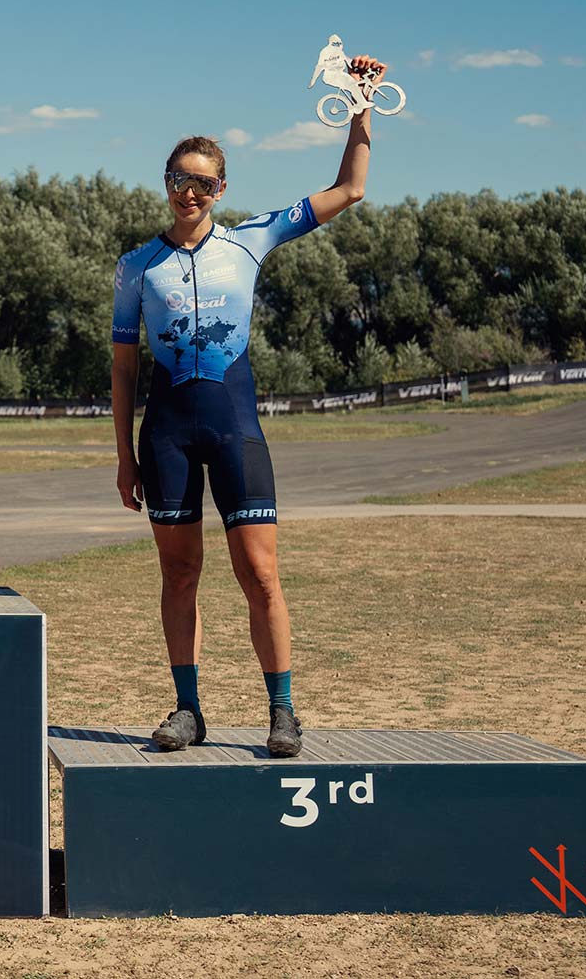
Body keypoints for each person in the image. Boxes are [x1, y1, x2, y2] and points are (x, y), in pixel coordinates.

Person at [110, 55, 383, 758]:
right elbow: (123, 365)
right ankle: (188, 710)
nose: (190, 192)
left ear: (221, 188)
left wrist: (361, 104)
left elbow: (350, 189)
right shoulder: (136, 266)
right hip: (166, 434)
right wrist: (121, 456)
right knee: (179, 574)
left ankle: (283, 712)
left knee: (260, 575)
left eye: (203, 183)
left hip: (235, 429)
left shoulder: (252, 238)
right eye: (180, 179)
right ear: (166, 182)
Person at [309, 35, 372, 115]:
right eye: (337, 43)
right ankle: (361, 103)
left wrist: (360, 69)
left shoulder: (339, 52)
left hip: (340, 75)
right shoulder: (325, 52)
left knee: (353, 84)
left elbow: (349, 62)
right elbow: (319, 66)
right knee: (352, 84)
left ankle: (360, 103)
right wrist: (313, 80)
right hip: (331, 76)